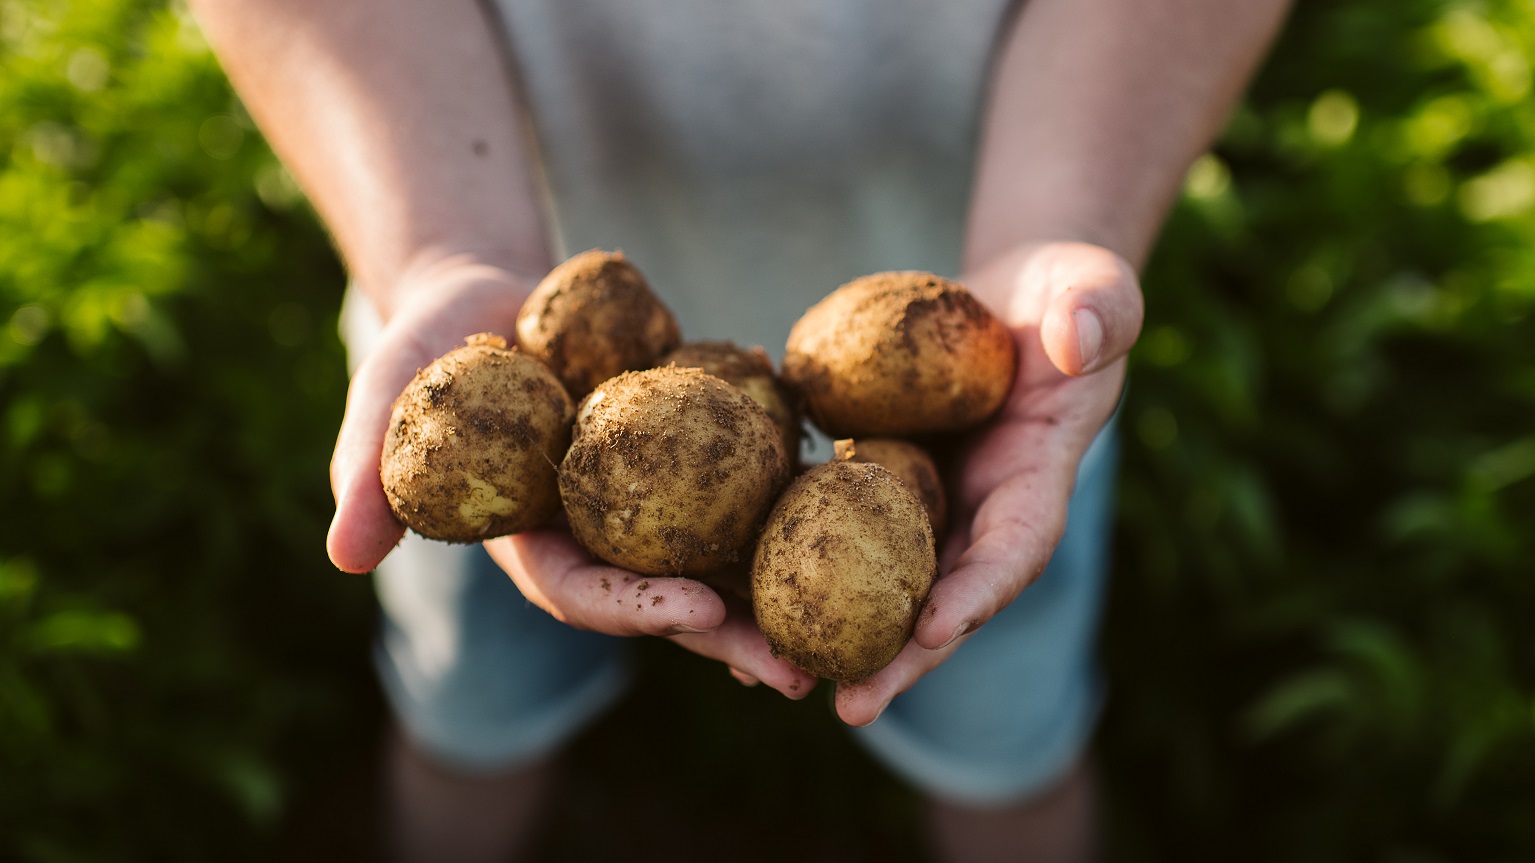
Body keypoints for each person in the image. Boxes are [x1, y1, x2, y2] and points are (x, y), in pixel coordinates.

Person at [189, 0, 1291, 859]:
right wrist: (437, 245)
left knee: (1010, 745)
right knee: (463, 712)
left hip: (1008, 365)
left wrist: (1067, 214)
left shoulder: (944, 418)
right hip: (485, 288)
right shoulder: (532, 391)